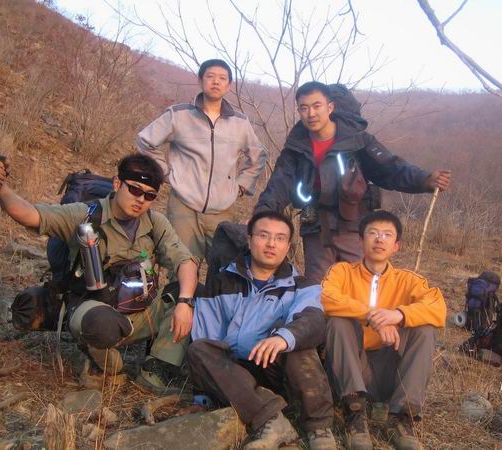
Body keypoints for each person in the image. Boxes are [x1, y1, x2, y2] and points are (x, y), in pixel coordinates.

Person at [0, 154, 199, 395]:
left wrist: (184, 302)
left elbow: (185, 261)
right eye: (134, 189)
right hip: (93, 309)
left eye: (149, 195)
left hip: (140, 310)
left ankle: (155, 370)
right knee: (101, 325)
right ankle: (106, 363)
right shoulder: (86, 215)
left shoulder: (155, 223)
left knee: (193, 293)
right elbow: (31, 214)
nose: (141, 200)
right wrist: (1, 188)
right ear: (117, 184)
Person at [254, 81, 451, 283]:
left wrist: (424, 180)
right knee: (318, 289)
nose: (311, 113)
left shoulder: (356, 139)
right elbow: (279, 185)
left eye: (316, 106)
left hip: (354, 226)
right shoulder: (296, 147)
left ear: (330, 107)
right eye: (304, 108)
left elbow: (389, 168)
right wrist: (260, 216)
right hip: (316, 228)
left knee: (362, 284)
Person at [186, 211, 337, 450]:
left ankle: (318, 425)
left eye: (279, 238)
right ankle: (271, 420)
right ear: (249, 240)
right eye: (263, 235)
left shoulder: (302, 285)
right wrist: (202, 395)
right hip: (235, 374)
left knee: (298, 339)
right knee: (198, 349)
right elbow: (207, 334)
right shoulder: (222, 282)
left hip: (278, 371)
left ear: (288, 247)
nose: (271, 244)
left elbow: (313, 320)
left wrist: (282, 338)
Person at [321, 210, 447, 450]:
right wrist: (373, 316)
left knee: (425, 329)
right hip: (353, 366)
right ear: (360, 240)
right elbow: (326, 297)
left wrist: (398, 315)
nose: (380, 239)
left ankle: (402, 418)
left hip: (392, 368)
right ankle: (355, 414)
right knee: (338, 321)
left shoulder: (409, 280)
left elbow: (437, 307)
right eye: (373, 233)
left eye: (387, 235)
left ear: (396, 246)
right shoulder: (342, 272)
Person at [137, 58, 266, 261]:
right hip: (183, 207)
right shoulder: (179, 115)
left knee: (224, 268)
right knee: (181, 265)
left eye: (222, 78)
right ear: (200, 81)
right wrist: (165, 173)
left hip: (223, 209)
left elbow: (258, 156)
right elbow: (146, 141)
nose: (216, 82)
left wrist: (241, 185)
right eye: (210, 76)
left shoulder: (240, 123)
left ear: (229, 86)